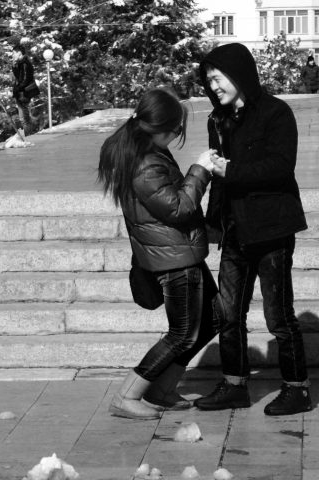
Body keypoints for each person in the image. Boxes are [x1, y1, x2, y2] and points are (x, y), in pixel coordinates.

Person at [194, 43, 312, 416]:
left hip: (272, 228)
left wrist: (231, 171)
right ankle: (234, 385)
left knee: (278, 316)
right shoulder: (218, 119)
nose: (214, 87)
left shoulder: (276, 112)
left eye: (217, 78)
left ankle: (297, 389)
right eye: (209, 81)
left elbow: (280, 167)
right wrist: (212, 223)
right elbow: (218, 178)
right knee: (229, 313)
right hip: (234, 230)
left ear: (238, 73)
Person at [98, 87, 223, 420]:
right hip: (174, 259)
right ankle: (127, 395)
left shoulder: (146, 150)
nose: (177, 135)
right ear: (159, 127)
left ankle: (162, 389)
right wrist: (201, 169)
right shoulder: (145, 163)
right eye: (176, 129)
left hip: (178, 251)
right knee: (182, 334)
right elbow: (179, 208)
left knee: (213, 319)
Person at [11, 44, 35, 136]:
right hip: (21, 92)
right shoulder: (21, 63)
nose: (12, 55)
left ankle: (26, 137)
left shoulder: (24, 63)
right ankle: (23, 135)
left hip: (24, 93)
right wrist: (14, 66)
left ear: (19, 53)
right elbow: (19, 77)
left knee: (24, 117)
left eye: (14, 53)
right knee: (23, 116)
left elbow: (25, 79)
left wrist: (18, 88)